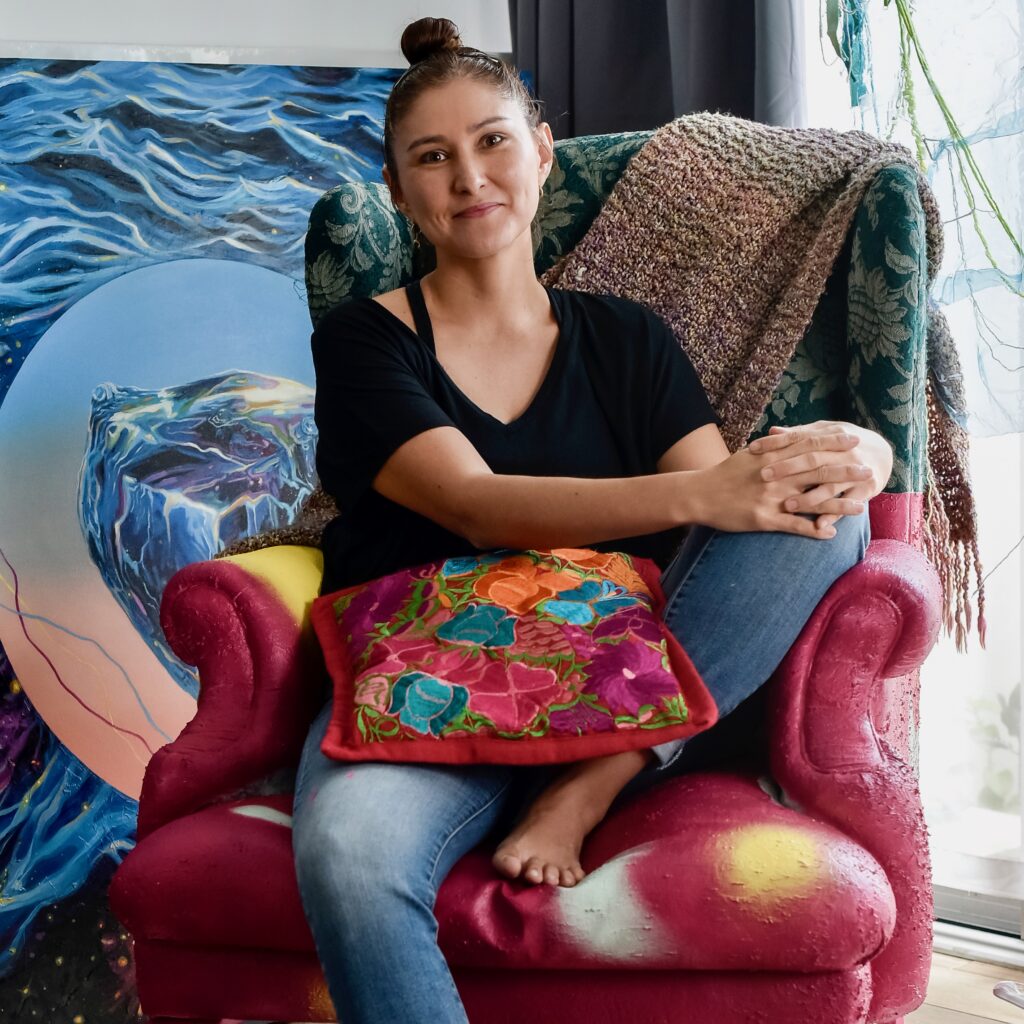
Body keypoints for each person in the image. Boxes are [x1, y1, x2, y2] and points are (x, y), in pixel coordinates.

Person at [291, 16, 892, 1024]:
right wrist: (705, 491)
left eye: (490, 141)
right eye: (430, 158)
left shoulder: (625, 336)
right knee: (348, 856)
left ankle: (590, 781)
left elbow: (741, 514)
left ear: (539, 150)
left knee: (823, 520)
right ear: (398, 191)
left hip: (607, 678)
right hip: (427, 682)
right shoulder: (365, 341)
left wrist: (861, 458)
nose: (468, 176)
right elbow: (476, 506)